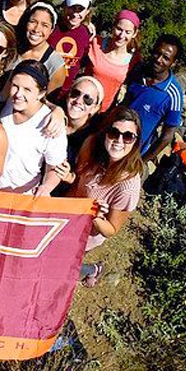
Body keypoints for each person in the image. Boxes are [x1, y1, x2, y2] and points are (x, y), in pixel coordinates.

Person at [59, 107, 144, 287]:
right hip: (64, 214)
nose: (119, 141)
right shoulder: (90, 146)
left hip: (84, 233)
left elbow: (111, 229)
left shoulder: (127, 185)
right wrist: (69, 178)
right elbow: (79, 180)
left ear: (135, 142)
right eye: (114, 133)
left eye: (128, 136)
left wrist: (96, 217)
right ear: (105, 132)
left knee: (61, 265)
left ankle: (92, 270)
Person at [0, 60, 68, 196]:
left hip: (23, 196)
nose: (18, 94)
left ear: (41, 93)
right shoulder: (6, 104)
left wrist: (46, 188)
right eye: (15, 86)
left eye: (27, 90)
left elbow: (55, 167)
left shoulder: (51, 124)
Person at [123, 34, 184, 164]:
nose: (159, 60)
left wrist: (141, 161)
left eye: (166, 58)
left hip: (133, 154)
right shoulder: (138, 72)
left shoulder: (173, 94)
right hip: (113, 137)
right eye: (157, 53)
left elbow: (167, 136)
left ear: (174, 63)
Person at [82, 9, 141, 111]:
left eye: (127, 32)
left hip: (103, 113)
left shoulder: (134, 60)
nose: (121, 36)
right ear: (113, 27)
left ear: (134, 34)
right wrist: (84, 25)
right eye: (119, 29)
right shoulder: (95, 43)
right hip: (81, 102)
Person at [9, 2, 67, 94]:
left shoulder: (55, 65)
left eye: (44, 25)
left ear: (51, 30)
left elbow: (48, 102)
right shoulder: (12, 49)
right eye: (33, 22)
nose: (36, 29)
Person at [48, 0, 93, 99]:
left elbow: (83, 60)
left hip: (66, 95)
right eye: (72, 7)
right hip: (43, 89)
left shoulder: (86, 34)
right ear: (64, 6)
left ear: (87, 11)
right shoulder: (51, 27)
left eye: (80, 9)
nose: (75, 13)